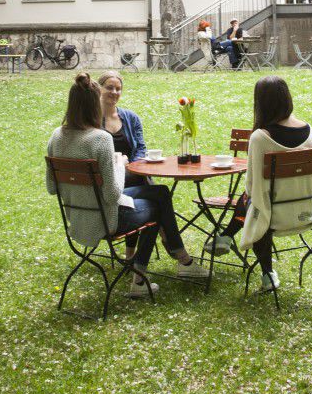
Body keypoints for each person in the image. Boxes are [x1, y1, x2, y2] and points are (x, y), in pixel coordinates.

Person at [45, 73, 207, 297]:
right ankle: (148, 276)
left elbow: (52, 188)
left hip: (78, 218)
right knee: (157, 209)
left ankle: (182, 260)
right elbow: (112, 195)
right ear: (95, 102)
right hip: (105, 219)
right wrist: (119, 164)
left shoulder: (56, 136)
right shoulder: (99, 139)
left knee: (160, 192)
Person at [205, 76, 312, 293]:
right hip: (306, 210)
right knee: (254, 204)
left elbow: (252, 185)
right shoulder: (309, 131)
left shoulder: (260, 137)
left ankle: (264, 270)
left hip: (274, 216)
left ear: (261, 103)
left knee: (254, 208)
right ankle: (227, 237)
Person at [96, 71, 148, 187]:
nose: (114, 92)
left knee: (160, 193)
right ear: (99, 89)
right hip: (105, 179)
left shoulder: (132, 118)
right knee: (161, 194)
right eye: (109, 88)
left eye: (118, 89)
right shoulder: (90, 120)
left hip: (131, 174)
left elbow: (141, 148)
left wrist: (131, 167)